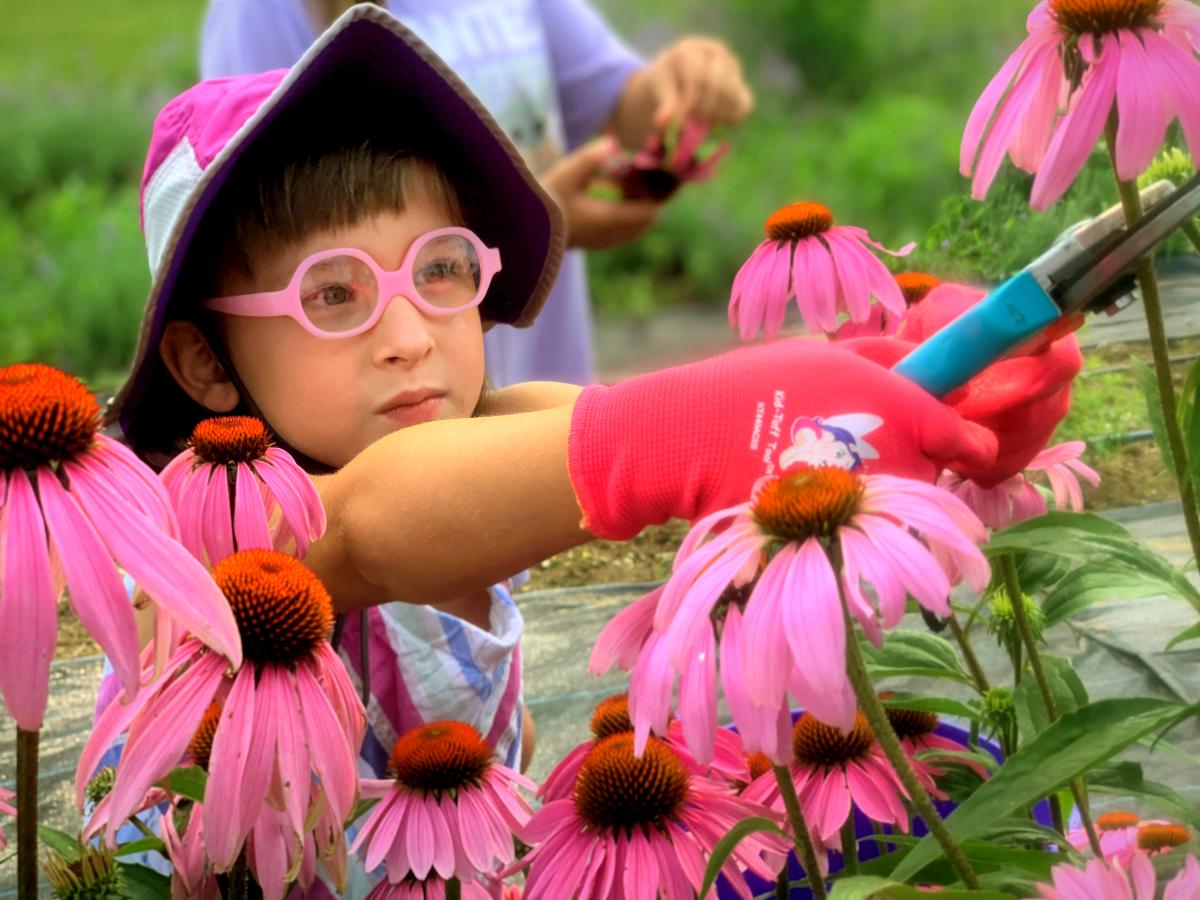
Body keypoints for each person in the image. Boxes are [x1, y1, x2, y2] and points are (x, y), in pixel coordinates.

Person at [97, 6, 1079, 894]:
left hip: (483, 867)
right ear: (206, 364)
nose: (406, 335)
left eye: (440, 271)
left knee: (974, 791)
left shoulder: (469, 423)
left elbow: (608, 415)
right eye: (333, 293)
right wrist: (674, 437)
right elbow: (367, 526)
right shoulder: (220, 529)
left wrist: (906, 381)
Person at [198, 0, 755, 386]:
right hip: (397, 401)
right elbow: (268, 222)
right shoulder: (259, 13)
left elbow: (618, 105)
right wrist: (529, 225)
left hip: (538, 379)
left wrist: (676, 86)